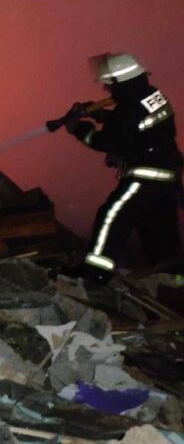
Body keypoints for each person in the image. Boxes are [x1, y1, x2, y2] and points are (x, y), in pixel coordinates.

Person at [64, 53, 183, 284]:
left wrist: (78, 129)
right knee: (159, 231)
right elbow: (136, 126)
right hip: (168, 176)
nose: (106, 89)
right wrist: (102, 115)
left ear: (121, 82)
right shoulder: (152, 95)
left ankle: (96, 272)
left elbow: (105, 141)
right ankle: (172, 282)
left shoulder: (128, 109)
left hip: (145, 177)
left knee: (112, 215)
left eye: (109, 84)